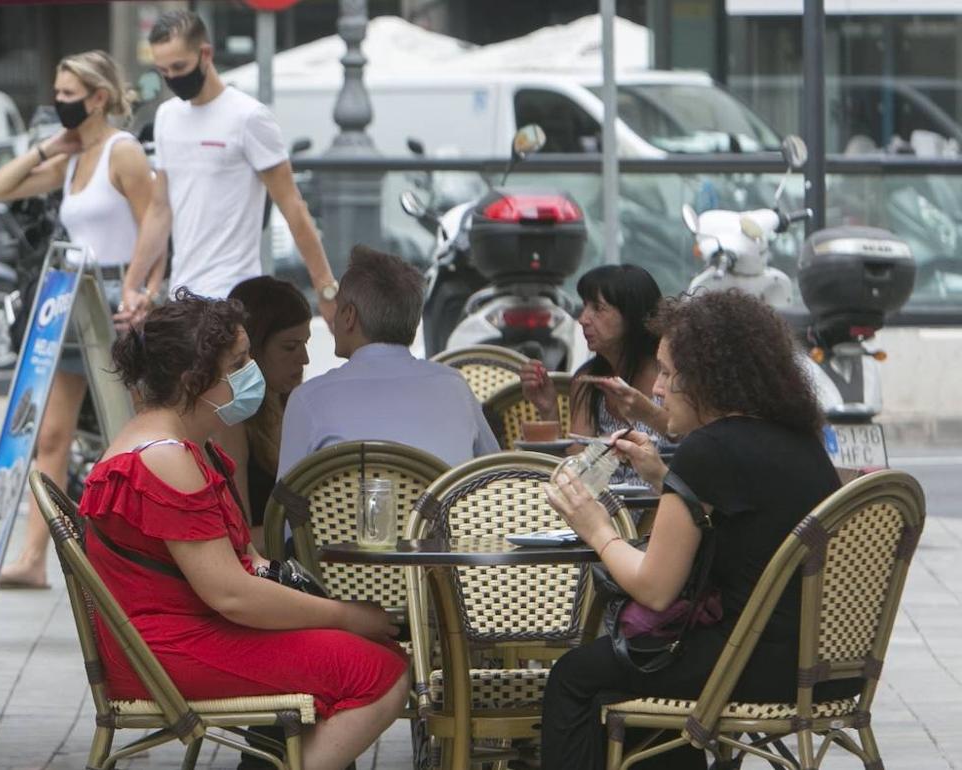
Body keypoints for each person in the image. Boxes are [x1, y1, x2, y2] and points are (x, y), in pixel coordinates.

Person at [81, 291, 408, 770]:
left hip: (169, 641)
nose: (250, 372)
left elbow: (240, 572)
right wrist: (344, 615)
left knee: (369, 656)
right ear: (196, 379)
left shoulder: (176, 445)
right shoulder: (166, 458)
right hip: (170, 652)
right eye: (238, 362)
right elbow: (232, 594)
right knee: (379, 671)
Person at [538, 290, 858, 770]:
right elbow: (748, 516)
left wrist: (596, 527)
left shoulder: (708, 450)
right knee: (638, 670)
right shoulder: (795, 437)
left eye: (667, 373)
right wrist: (665, 480)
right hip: (829, 663)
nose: (658, 389)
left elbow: (655, 588)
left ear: (708, 376)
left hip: (752, 662)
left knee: (574, 676)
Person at [0, 50, 158, 589]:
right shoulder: (75, 157)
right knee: (52, 435)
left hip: (112, 296)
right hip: (70, 295)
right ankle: (34, 556)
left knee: (126, 432)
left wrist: (145, 289)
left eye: (67, 96)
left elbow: (156, 222)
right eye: (56, 94)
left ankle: (136, 560)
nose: (58, 103)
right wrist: (45, 146)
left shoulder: (121, 153)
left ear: (97, 97)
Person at [115, 10, 340, 329]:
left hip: (234, 297)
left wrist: (326, 289)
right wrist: (132, 284)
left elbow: (292, 206)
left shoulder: (248, 117)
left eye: (179, 66)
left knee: (232, 380)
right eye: (163, 70)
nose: (173, 78)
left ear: (205, 53)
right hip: (183, 298)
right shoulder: (166, 117)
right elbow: (160, 208)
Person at [278, 246, 499, 475]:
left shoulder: (308, 400)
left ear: (349, 316)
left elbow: (285, 506)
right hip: (444, 511)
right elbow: (494, 478)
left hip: (350, 512)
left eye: (338, 306)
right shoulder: (455, 388)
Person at [520, 264, 667, 484]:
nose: (583, 319)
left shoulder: (668, 376)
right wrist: (548, 409)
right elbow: (576, 471)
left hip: (662, 506)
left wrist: (646, 412)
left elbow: (689, 439)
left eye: (598, 309)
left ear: (632, 315)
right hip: (604, 511)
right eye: (585, 306)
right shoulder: (588, 381)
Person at [215, 276, 312, 547]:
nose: (304, 359)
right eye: (290, 347)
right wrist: (317, 533)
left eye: (305, 344)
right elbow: (239, 539)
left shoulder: (293, 406)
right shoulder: (233, 418)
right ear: (253, 348)